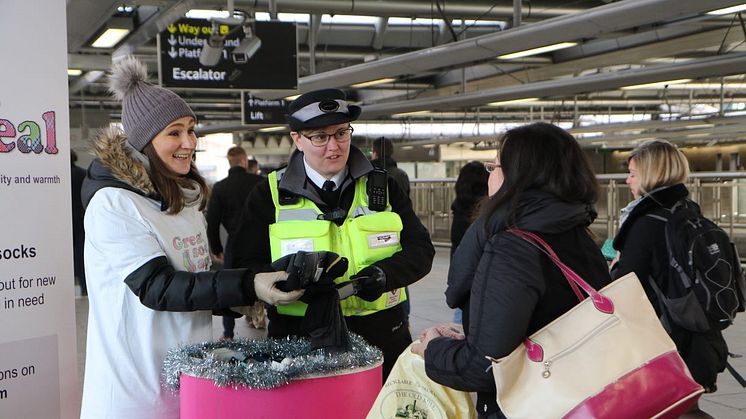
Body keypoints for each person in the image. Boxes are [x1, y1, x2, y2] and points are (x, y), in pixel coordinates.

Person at [79, 56, 304, 419]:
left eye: (191, 129)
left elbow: (196, 278)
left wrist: (252, 293)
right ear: (143, 142)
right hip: (135, 394)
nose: (189, 142)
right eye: (174, 132)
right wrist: (247, 285)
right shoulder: (114, 204)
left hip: (190, 381)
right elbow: (160, 288)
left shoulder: (183, 200)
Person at [231, 88, 435, 380]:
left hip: (383, 337)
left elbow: (420, 249)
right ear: (297, 139)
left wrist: (382, 275)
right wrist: (286, 277)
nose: (334, 146)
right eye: (320, 137)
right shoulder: (268, 195)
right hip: (299, 342)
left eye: (341, 133)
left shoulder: (383, 187)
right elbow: (243, 263)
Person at [413, 122, 611, 418]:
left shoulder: (513, 247)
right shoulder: (579, 233)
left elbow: (485, 367)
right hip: (581, 396)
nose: (489, 176)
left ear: (517, 177)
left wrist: (433, 349)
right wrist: (474, 332)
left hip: (531, 406)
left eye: (494, 167)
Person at [611, 140, 727, 418]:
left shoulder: (646, 222)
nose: (628, 180)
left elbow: (624, 283)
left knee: (669, 409)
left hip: (663, 339)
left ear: (652, 174)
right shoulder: (687, 212)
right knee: (684, 406)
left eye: (633, 173)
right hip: (697, 336)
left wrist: (615, 265)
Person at [206, 146, 264, 339]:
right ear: (245, 161)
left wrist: (216, 248)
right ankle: (264, 320)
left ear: (230, 162)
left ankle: (228, 333)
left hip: (234, 244)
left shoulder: (221, 187)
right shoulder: (259, 182)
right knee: (267, 281)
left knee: (228, 286)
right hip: (260, 243)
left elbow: (212, 222)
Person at [449, 161, 489, 323]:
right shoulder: (485, 216)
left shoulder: (458, 208)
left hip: (460, 278)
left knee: (460, 318)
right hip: (479, 281)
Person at [70, 149, 87, 296]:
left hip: (65, 221)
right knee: (82, 255)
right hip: (81, 219)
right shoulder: (83, 173)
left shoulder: (59, 176)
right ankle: (85, 287)